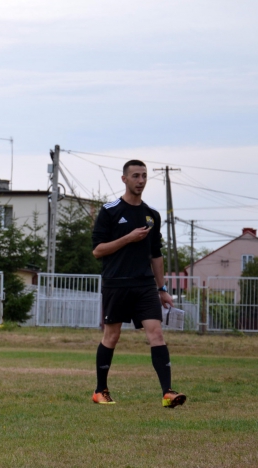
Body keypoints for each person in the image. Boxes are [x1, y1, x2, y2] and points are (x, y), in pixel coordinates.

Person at [91, 159, 187, 408]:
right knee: (112, 336)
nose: (141, 180)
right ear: (124, 179)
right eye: (135, 176)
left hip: (144, 285)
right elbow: (98, 251)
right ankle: (100, 390)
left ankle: (167, 393)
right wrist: (128, 238)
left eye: (144, 176)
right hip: (116, 283)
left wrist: (163, 288)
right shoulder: (110, 211)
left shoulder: (152, 215)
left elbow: (156, 254)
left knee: (156, 332)